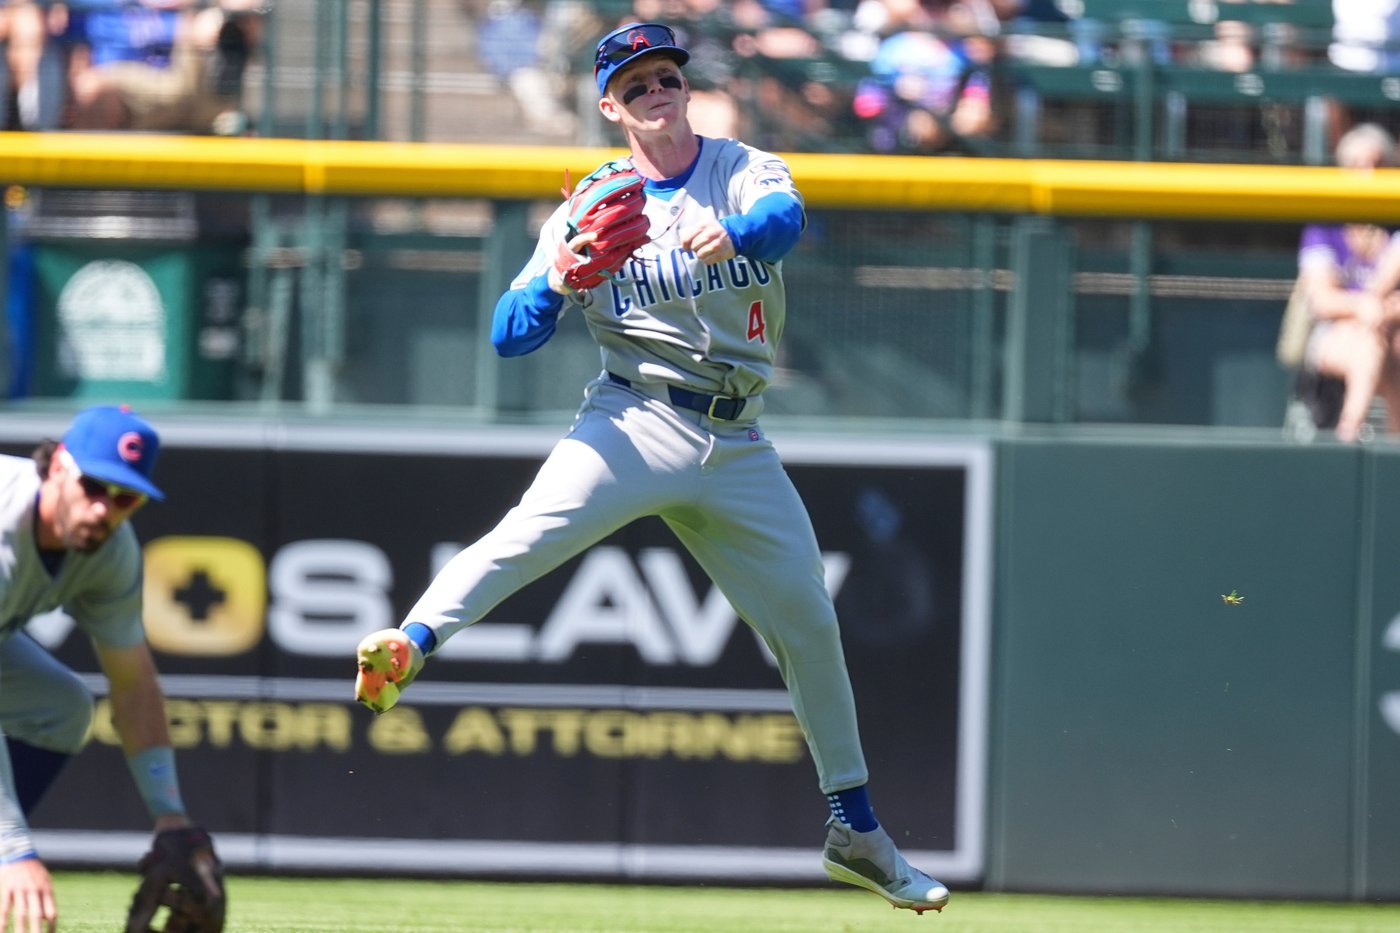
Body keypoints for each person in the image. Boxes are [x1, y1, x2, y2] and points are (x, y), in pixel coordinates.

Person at [354, 20, 950, 915]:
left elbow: (785, 223)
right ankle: (410, 643)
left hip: (739, 440)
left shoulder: (742, 167)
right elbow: (508, 336)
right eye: (636, 85)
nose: (656, 91)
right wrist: (555, 276)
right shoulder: (589, 202)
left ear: (686, 85)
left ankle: (855, 828)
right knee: (524, 537)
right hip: (633, 417)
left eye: (666, 75)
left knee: (808, 626)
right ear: (610, 108)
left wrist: (736, 235)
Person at [0, 404, 218, 930]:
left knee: (62, 709)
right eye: (94, 486)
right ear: (56, 466)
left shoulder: (109, 552)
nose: (104, 508)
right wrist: (11, 847)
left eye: (125, 497)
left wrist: (170, 816)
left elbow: (133, 683)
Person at [1296, 123, 1400, 442]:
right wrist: (1366, 307)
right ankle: (1348, 439)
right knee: (1368, 346)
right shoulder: (1326, 223)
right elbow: (1322, 301)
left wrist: (1380, 312)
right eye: (1358, 165)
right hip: (1337, 334)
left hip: (1391, 329)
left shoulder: (1395, 224)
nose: (1368, 173)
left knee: (1388, 347)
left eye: (1378, 164)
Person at [61, 0, 262, 135]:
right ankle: (96, 188)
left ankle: (230, 115)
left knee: (217, 21)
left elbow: (248, 5)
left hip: (189, 75)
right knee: (91, 88)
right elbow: (74, 52)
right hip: (122, 86)